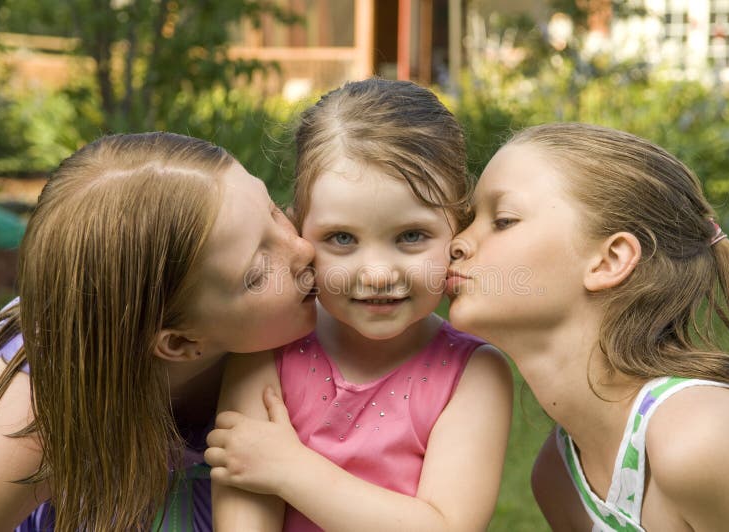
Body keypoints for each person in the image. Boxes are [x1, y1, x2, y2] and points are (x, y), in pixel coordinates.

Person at [445, 122, 729, 531]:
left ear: (609, 260)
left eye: (502, 220)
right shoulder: (558, 476)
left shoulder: (701, 440)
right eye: (469, 219)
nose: (457, 241)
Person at [205, 78, 514, 531]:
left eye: (411, 236)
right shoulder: (269, 351)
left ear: (459, 228)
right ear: (299, 229)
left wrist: (292, 471)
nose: (377, 275)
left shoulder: (473, 374)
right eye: (342, 239)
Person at [0, 132, 318, 530]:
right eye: (257, 273)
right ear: (180, 342)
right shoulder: (38, 412)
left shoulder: (317, 324)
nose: (303, 249)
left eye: (272, 210)